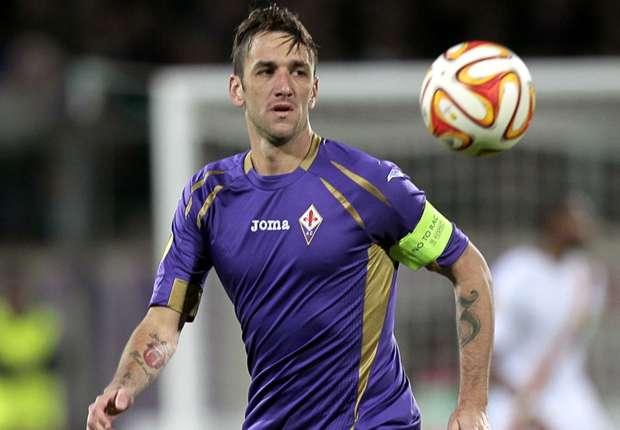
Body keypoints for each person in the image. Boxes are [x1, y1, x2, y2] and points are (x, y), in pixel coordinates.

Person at [87, 5, 494, 430]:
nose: (283, 86)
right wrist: (124, 384)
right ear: (237, 89)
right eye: (266, 71)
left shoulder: (370, 185)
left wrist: (473, 404)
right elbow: (162, 320)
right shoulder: (208, 198)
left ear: (313, 90)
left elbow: (470, 269)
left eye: (298, 72)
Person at [488, 195, 613, 430]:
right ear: (554, 221)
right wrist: (528, 410)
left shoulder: (588, 276)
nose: (585, 224)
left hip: (571, 398)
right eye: (576, 217)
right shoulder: (515, 271)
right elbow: (485, 351)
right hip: (514, 395)